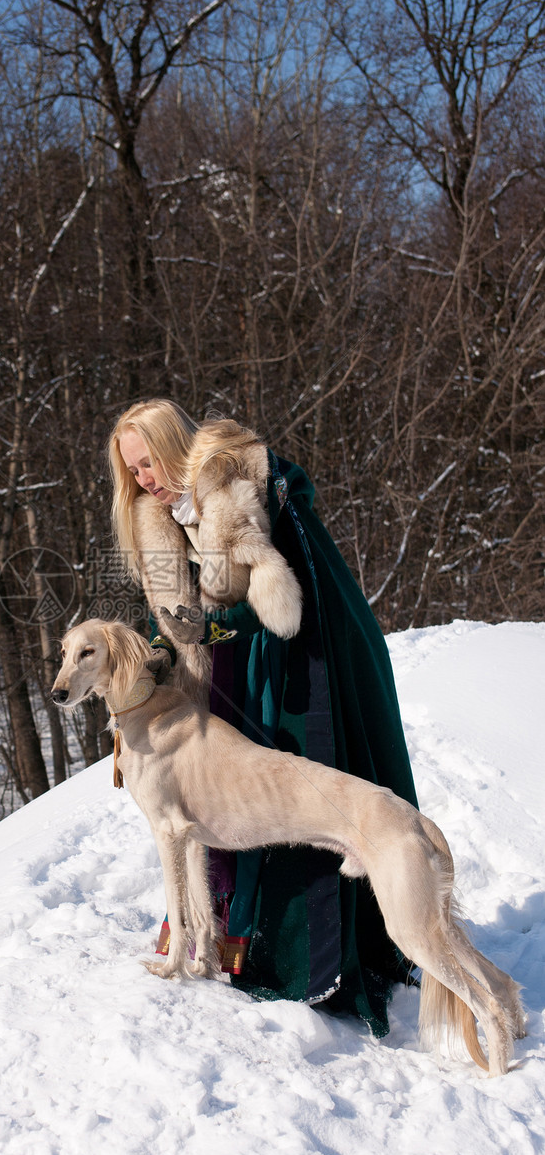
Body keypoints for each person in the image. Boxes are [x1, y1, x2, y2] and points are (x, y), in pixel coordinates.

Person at [107, 398, 420, 1037]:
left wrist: (216, 622)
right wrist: (150, 669)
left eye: (147, 462)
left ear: (174, 446)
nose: (143, 480)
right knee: (234, 799)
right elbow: (169, 623)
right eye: (131, 471)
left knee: (304, 791)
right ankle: (228, 942)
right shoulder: (155, 519)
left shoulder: (236, 482)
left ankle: (324, 954)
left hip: (300, 655)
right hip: (224, 668)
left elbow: (286, 591)